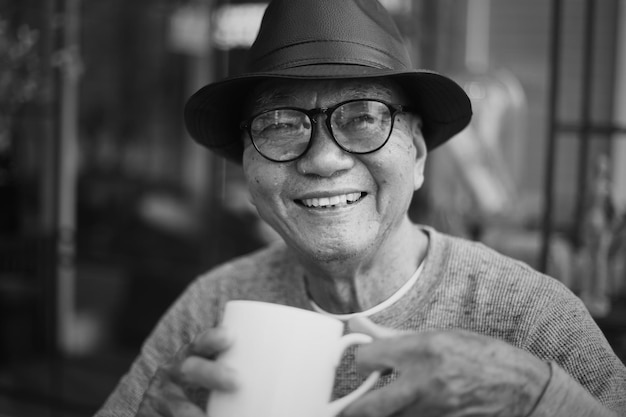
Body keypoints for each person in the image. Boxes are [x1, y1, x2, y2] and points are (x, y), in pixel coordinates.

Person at [95, 0, 626, 416]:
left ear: (417, 155)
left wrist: (531, 395)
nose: (325, 160)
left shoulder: (527, 316)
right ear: (247, 168)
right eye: (280, 124)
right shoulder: (211, 305)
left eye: (365, 116)